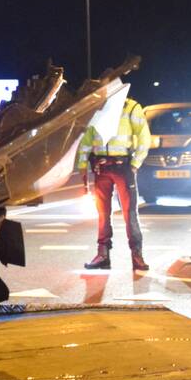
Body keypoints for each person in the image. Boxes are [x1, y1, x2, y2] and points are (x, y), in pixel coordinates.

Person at [76, 96, 151, 271]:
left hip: (123, 166)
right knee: (103, 213)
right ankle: (103, 255)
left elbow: (144, 137)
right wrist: (82, 165)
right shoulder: (98, 108)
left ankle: (137, 256)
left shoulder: (131, 107)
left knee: (129, 213)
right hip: (101, 168)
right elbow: (87, 140)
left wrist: (135, 164)